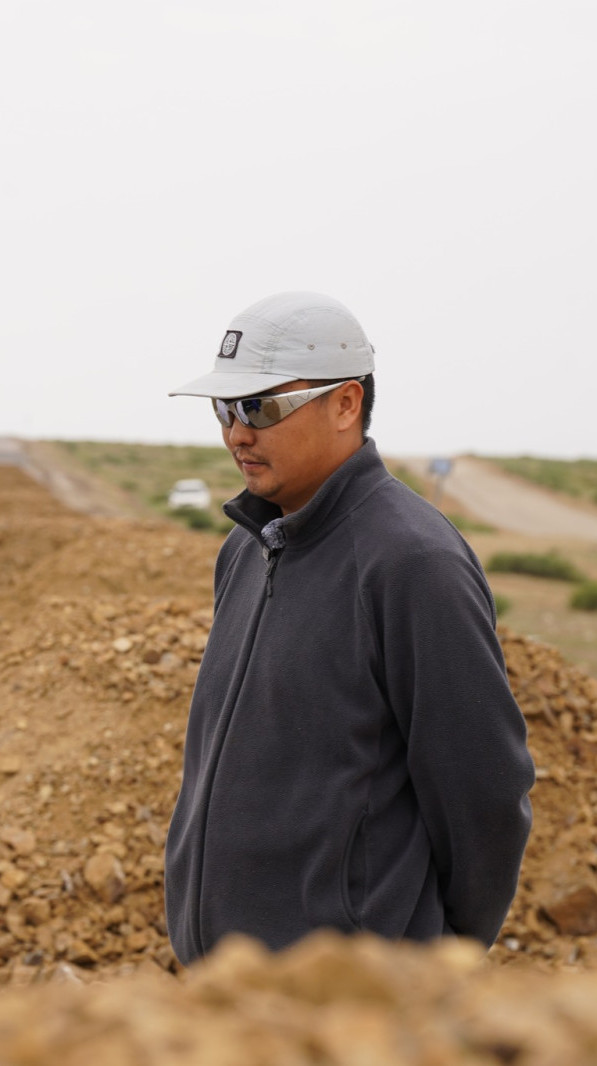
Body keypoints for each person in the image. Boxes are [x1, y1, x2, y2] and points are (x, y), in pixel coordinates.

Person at [163, 291, 533, 966]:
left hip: (352, 996)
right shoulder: (246, 546)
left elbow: (482, 794)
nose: (236, 434)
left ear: (344, 404)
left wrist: (434, 959)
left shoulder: (413, 562)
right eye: (224, 408)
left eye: (259, 407)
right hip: (226, 992)